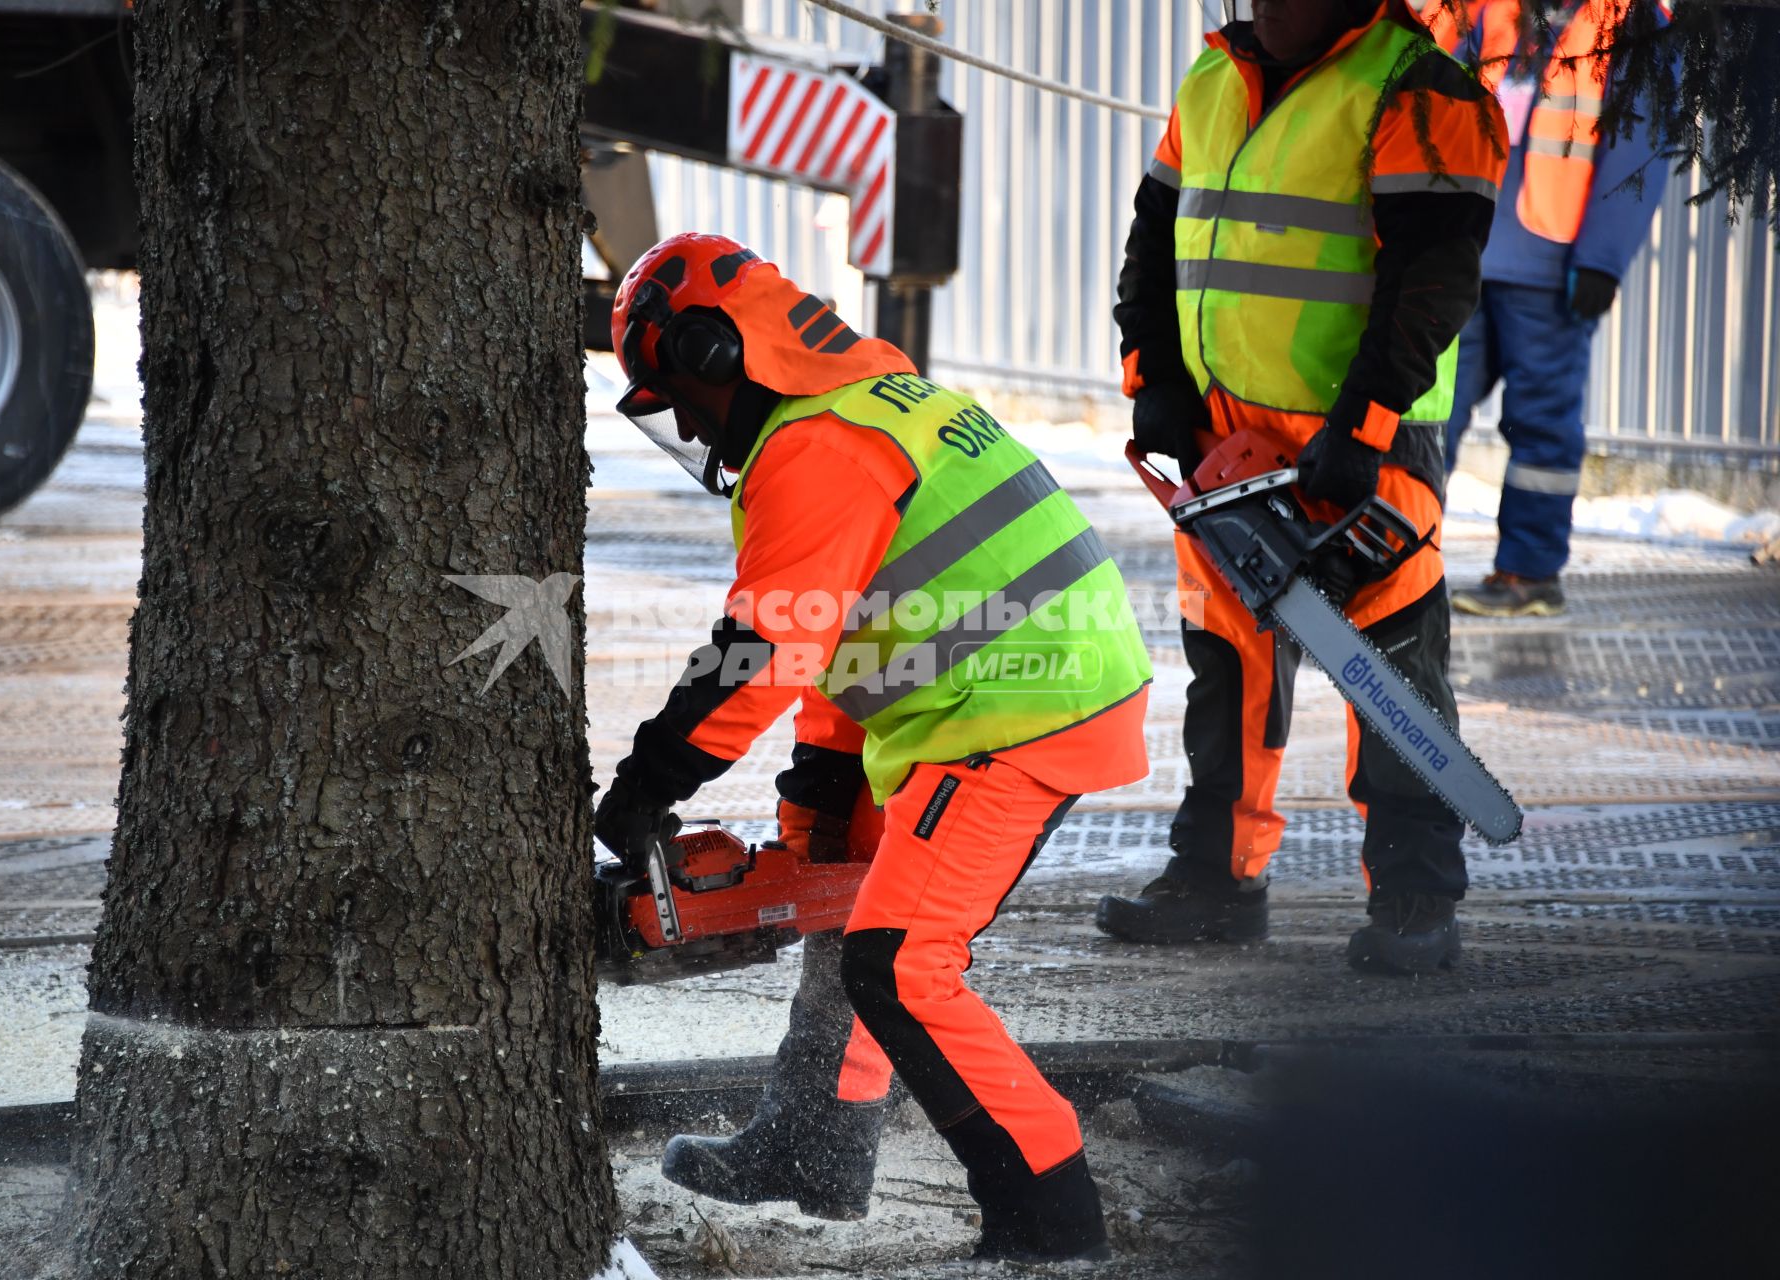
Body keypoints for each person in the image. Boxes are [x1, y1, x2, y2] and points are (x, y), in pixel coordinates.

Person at [592, 232, 1154, 1260]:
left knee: (900, 961)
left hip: (1020, 714)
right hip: (991, 692)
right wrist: (822, 778)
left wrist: (648, 782)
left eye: (684, 395)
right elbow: (848, 616)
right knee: (841, 879)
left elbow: (764, 643)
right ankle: (816, 1149)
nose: (692, 424)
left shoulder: (815, 448)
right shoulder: (864, 398)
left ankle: (1052, 1213)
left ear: (724, 354)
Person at [1098, 0, 1507, 973]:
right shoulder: (1210, 80)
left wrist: (1362, 425)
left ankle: (1416, 898)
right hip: (1224, 434)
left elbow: (1432, 280)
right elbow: (1155, 243)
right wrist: (1153, 376)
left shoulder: (1418, 88)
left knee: (1394, 669)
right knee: (1226, 664)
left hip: (1358, 441)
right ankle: (1216, 875)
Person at [1439, 0, 1673, 617]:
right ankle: (1390, 557)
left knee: (1541, 424)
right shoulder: (1491, 12)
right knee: (1426, 416)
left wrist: (1603, 256)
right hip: (1466, 250)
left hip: (1552, 263)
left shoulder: (1634, 24)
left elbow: (1641, 145)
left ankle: (1528, 571)